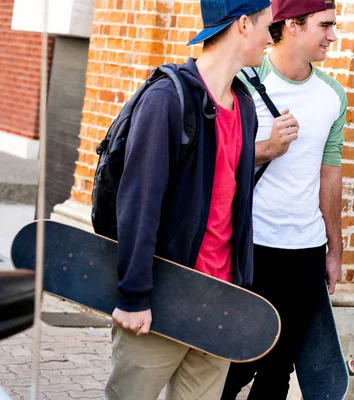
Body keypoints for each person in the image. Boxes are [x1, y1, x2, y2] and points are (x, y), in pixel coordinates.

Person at [103, 1, 273, 399]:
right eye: (267, 25)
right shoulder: (167, 98)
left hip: (219, 302)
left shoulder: (245, 106)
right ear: (243, 25)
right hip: (163, 298)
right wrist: (133, 296)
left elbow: (235, 206)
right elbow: (139, 203)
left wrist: (240, 289)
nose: (271, 37)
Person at [220, 0, 347, 398]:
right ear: (292, 25)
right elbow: (216, 155)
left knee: (280, 367)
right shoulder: (242, 80)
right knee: (236, 362)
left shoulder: (332, 95)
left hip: (304, 251)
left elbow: (330, 175)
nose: (332, 35)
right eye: (324, 25)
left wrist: (334, 250)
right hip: (250, 245)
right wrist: (267, 148)